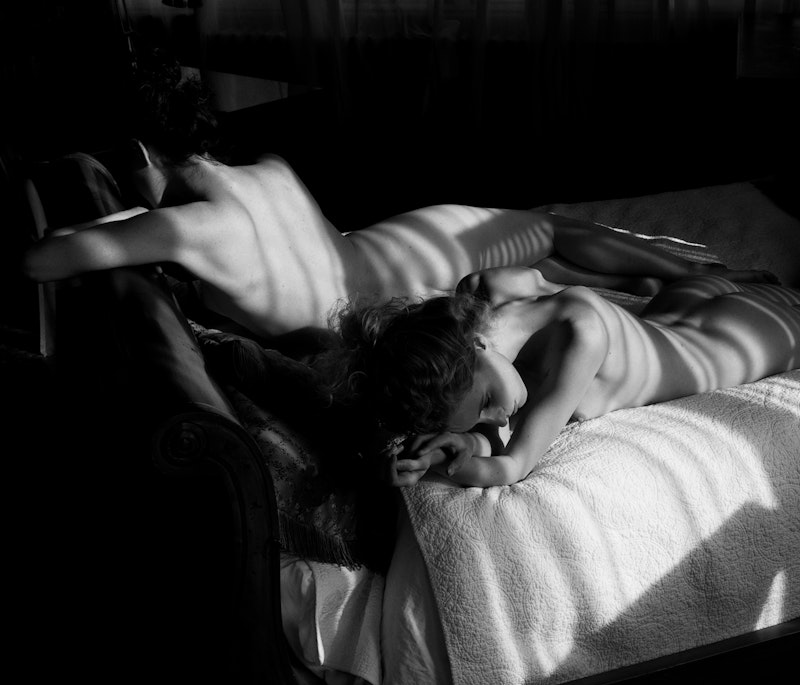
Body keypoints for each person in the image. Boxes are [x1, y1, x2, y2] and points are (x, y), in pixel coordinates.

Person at [22, 50, 777, 343]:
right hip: (405, 250)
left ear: (144, 153)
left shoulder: (186, 229)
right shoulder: (270, 170)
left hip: (402, 290)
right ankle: (711, 274)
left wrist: (125, 214)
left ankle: (693, 280)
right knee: (549, 234)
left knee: (549, 250)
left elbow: (41, 261)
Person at [326, 267, 800, 488]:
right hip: (678, 300)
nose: (498, 416)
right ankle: (730, 275)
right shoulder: (487, 292)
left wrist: (456, 465)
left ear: (475, 346)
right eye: (481, 417)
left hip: (736, 339)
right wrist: (453, 445)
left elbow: (514, 463)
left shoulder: (580, 336)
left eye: (488, 401)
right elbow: (498, 428)